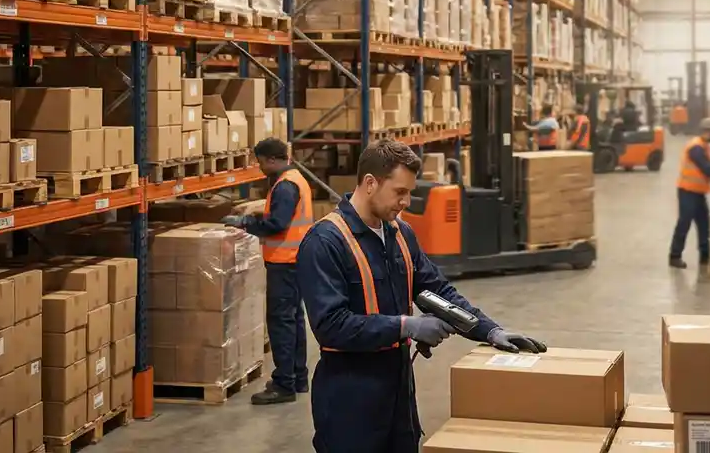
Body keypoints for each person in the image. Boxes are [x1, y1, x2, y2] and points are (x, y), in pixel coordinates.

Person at [296, 140, 546, 453]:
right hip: (350, 395)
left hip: (398, 391)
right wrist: (407, 326)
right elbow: (331, 325)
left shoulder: (399, 233)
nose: (407, 201)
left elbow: (438, 290)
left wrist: (489, 329)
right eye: (400, 192)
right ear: (370, 183)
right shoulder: (325, 242)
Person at [221, 137, 311, 404]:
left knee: (281, 322)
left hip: (285, 262)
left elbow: (277, 224)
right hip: (296, 261)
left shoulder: (285, 186)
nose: (259, 168)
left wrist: (245, 223)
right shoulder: (295, 178)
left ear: (272, 160)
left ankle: (284, 385)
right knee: (294, 319)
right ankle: (298, 377)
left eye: (260, 162)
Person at [668, 119, 710, 269]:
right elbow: (706, 167)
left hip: (698, 192)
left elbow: (709, 166)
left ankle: (705, 255)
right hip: (687, 190)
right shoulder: (696, 147)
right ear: (709, 131)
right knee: (684, 222)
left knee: (704, 223)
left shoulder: (703, 146)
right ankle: (675, 256)